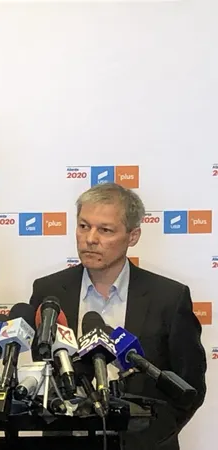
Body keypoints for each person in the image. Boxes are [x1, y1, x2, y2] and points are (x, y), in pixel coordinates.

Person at [28, 182, 206, 450]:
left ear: (133, 236)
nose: (90, 239)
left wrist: (149, 437)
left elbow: (188, 387)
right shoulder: (48, 291)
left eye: (105, 230)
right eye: (84, 226)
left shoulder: (169, 297)